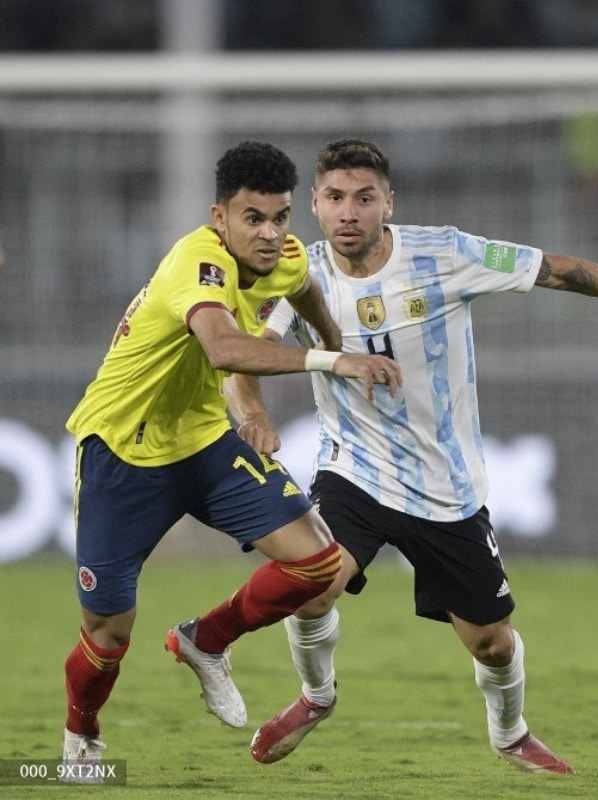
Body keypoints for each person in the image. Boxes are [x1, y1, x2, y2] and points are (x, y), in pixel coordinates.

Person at [226, 138, 598, 773]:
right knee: (307, 586)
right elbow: (242, 358)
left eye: (364, 198)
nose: (348, 213)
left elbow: (555, 268)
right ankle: (315, 696)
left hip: (446, 486)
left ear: (390, 202)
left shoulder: (444, 253)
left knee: (492, 644)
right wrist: (252, 414)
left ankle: (510, 732)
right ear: (314, 204)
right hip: (353, 469)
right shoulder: (296, 274)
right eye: (334, 198)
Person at [61, 140, 402, 781]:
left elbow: (301, 287)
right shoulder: (198, 262)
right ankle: (82, 732)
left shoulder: (285, 255)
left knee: (316, 562)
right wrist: (335, 360)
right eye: (253, 219)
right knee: (107, 632)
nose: (270, 234)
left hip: (203, 440)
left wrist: (333, 339)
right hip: (121, 449)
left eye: (278, 217)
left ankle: (204, 639)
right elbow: (221, 349)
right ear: (220, 218)